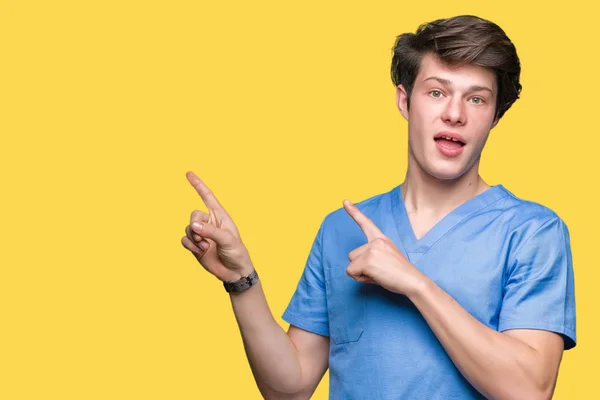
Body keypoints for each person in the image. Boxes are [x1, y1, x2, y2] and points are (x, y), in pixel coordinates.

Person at [181, 14, 576, 399]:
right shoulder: (342, 229)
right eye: (436, 92)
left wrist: (415, 284)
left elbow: (530, 390)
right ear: (405, 101)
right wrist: (241, 281)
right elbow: (289, 388)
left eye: (476, 99)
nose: (455, 114)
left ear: (494, 117)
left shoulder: (533, 232)